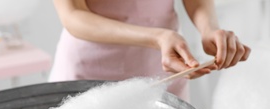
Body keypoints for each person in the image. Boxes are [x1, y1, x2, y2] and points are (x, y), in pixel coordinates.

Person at [49, 0, 251, 100]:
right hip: (89, 77)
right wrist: (158, 37)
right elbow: (73, 14)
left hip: (164, 70)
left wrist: (209, 28)